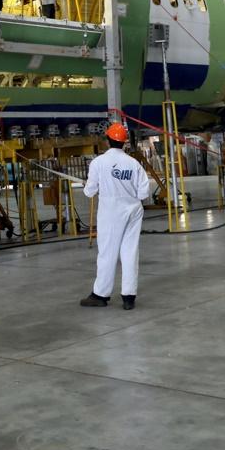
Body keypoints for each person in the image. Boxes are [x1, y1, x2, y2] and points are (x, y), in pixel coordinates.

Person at [80, 123, 151, 310]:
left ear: (108, 140)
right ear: (123, 142)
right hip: (133, 210)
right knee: (130, 251)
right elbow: (144, 193)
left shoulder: (99, 162)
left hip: (111, 211)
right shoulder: (133, 163)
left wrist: (89, 185)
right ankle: (129, 297)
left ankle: (100, 295)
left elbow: (89, 192)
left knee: (107, 252)